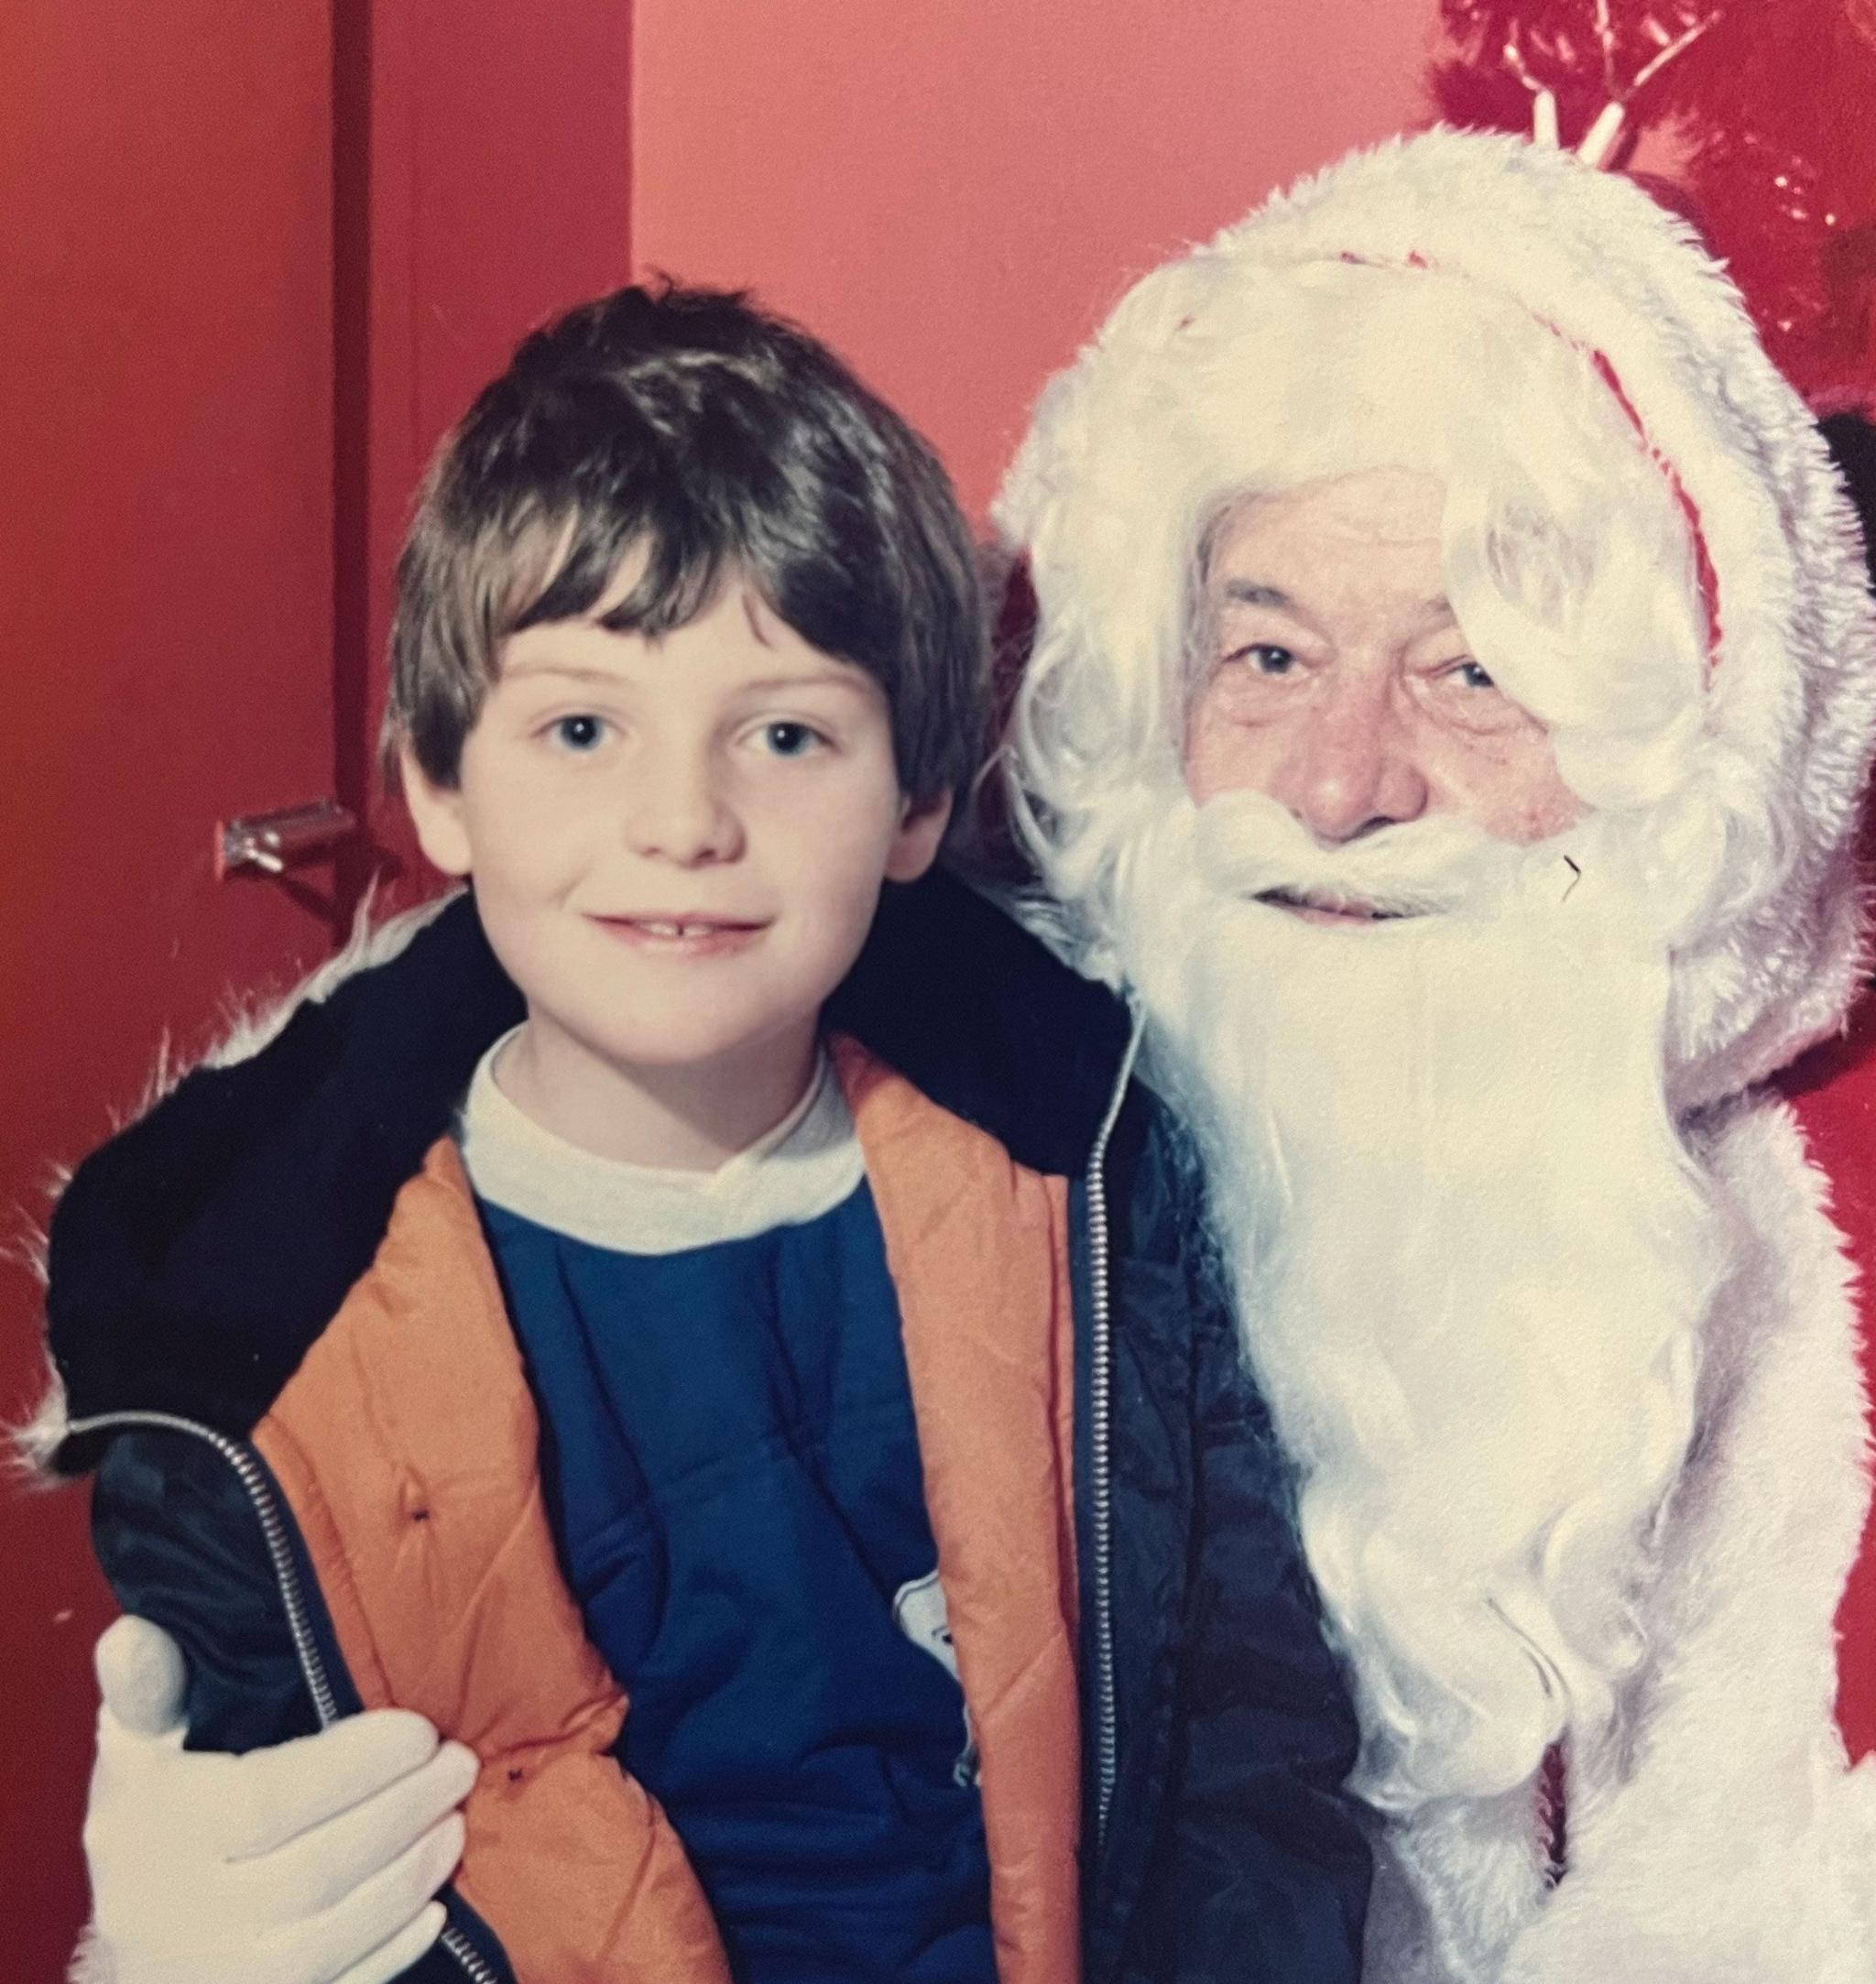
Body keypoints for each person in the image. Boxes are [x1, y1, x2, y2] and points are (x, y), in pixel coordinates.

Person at [38, 283, 1370, 1984]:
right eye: (583, 728)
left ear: (913, 806)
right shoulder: (247, 1345)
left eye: (788, 733)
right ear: (439, 787)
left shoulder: (1088, 1174)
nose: (682, 823)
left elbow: (1248, 1748)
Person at [999, 127, 1876, 1979]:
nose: (1336, 791)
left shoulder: (1837, 1240)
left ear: (1678, 752)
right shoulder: (967, 1178)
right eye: (1265, 657)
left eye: (1470, 670)